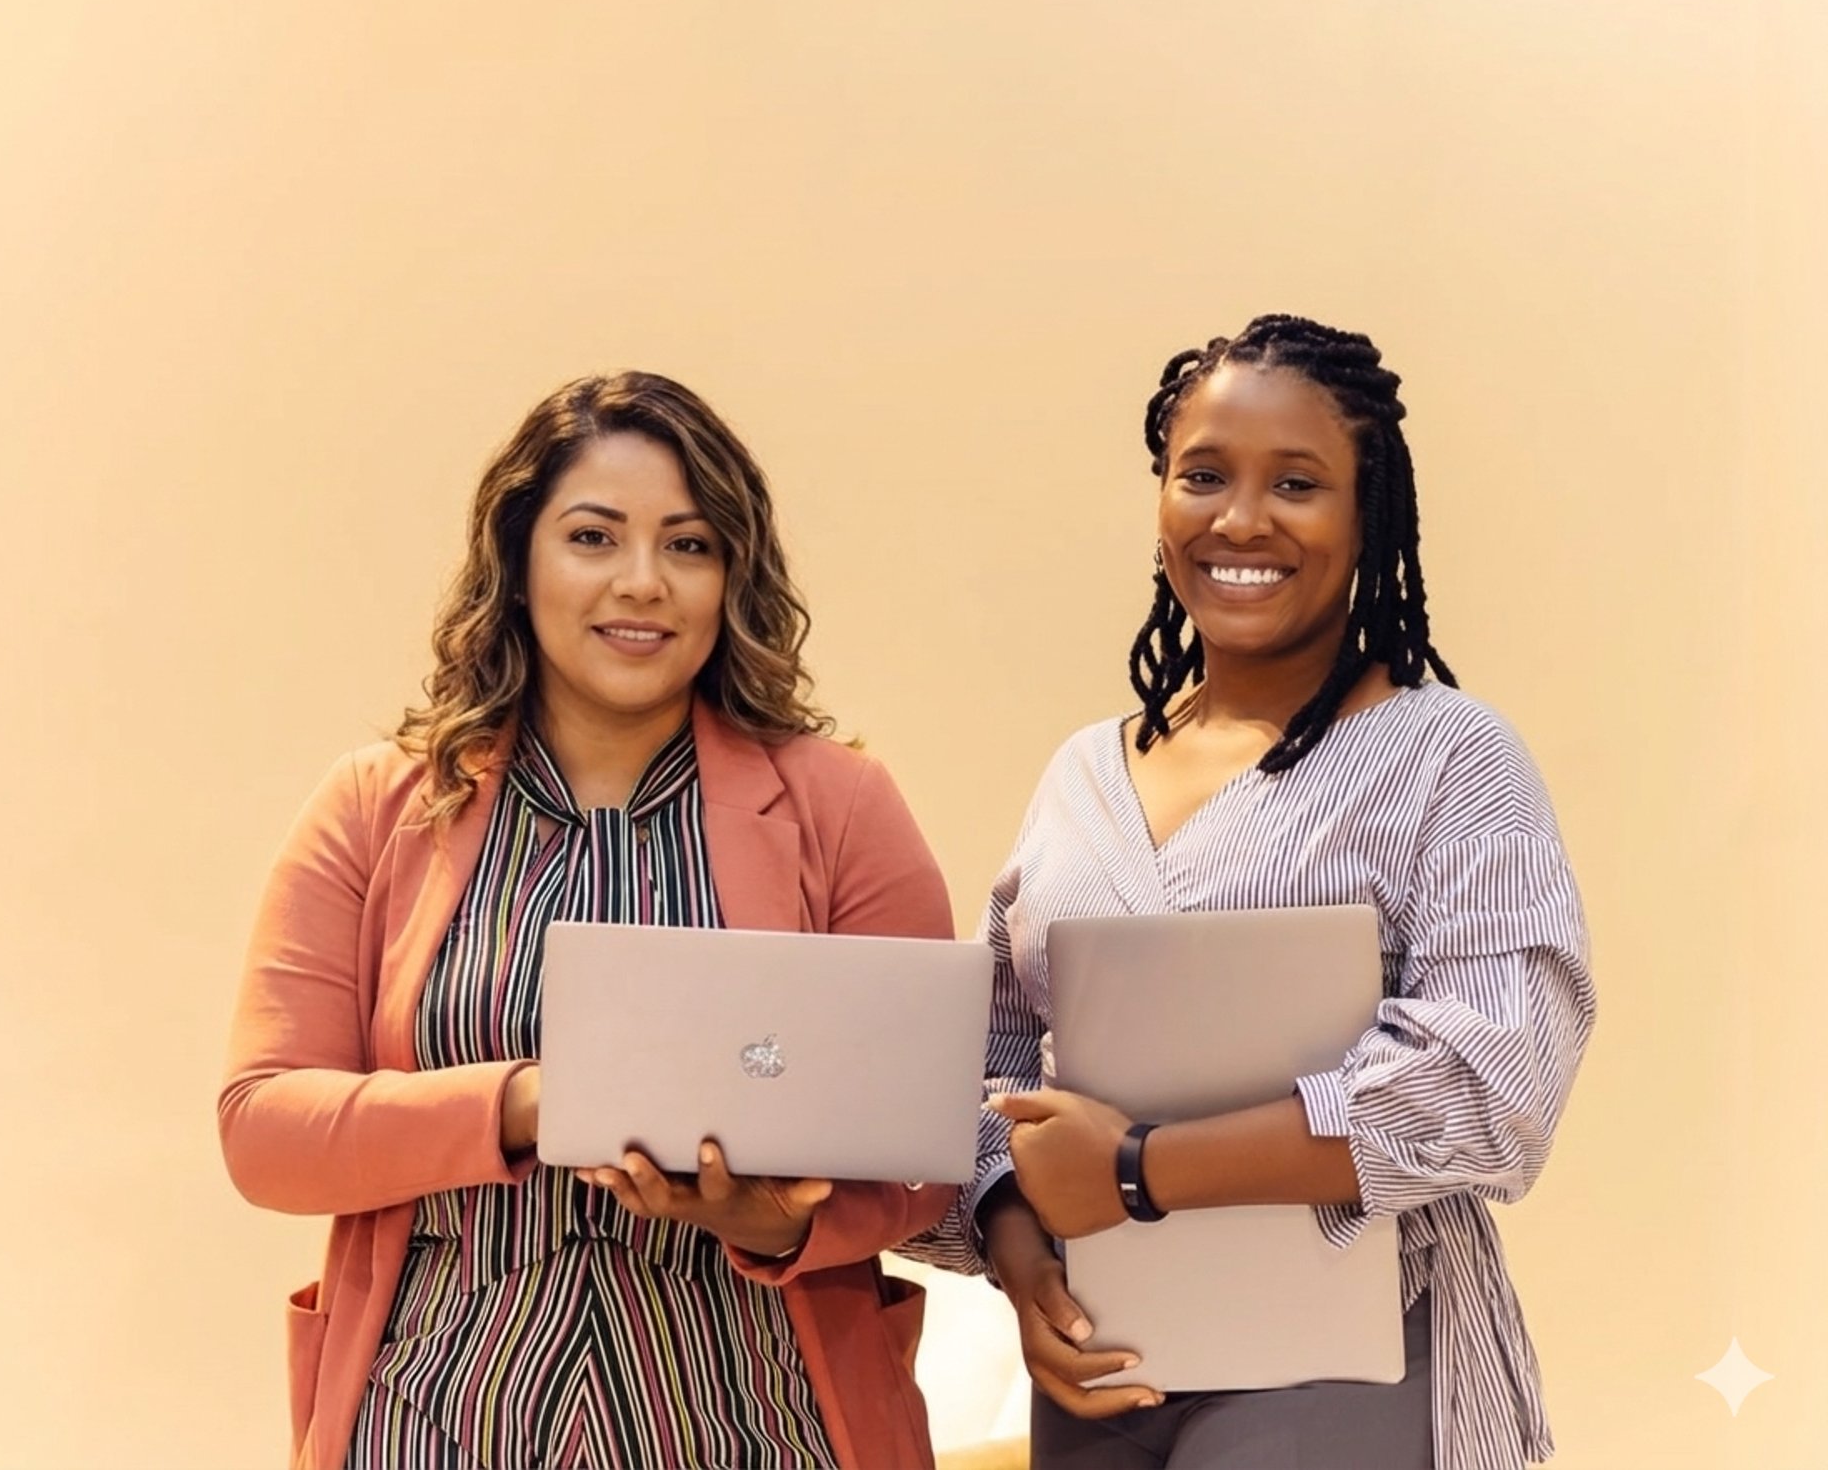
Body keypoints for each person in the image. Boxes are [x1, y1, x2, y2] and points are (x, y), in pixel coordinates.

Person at [220, 371, 955, 1470]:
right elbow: (265, 1127)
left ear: (732, 576)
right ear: (519, 564)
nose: (643, 583)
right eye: (594, 537)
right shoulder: (377, 804)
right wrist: (525, 1103)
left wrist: (778, 1224)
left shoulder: (839, 803)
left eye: (690, 545)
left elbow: (926, 1144)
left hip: (757, 1418)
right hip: (432, 1415)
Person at [904, 315, 1596, 1470]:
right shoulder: (1082, 774)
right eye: (1205, 476)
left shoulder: (1450, 757)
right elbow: (996, 1063)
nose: (1241, 520)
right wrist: (1024, 1269)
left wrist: (1140, 1170)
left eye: (1297, 483)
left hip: (1351, 1361)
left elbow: (1494, 1082)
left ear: (1367, 517)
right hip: (1104, 1369)